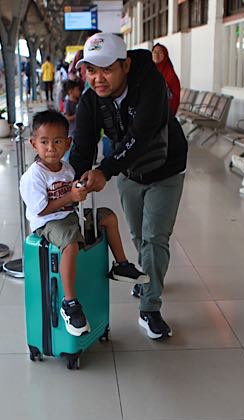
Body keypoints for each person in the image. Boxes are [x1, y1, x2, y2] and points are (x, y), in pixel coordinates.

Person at [70, 32, 188, 340]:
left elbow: (142, 133)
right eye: (91, 70)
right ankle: (149, 276)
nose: (98, 78)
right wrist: (73, 180)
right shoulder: (90, 99)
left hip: (167, 169)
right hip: (129, 173)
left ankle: (150, 307)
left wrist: (105, 170)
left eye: (106, 69)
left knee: (155, 236)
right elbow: (82, 145)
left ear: (126, 65)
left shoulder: (151, 86)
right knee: (138, 234)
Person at [20, 109, 149, 336]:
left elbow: (72, 196)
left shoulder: (67, 169)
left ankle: (120, 265)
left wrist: (81, 189)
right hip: (47, 223)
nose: (51, 148)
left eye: (58, 141)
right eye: (44, 142)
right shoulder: (34, 176)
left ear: (68, 143)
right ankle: (69, 303)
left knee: (107, 217)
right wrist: (70, 197)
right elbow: (40, 210)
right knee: (71, 243)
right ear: (33, 144)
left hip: (69, 216)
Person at [152, 43, 181, 117]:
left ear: (165, 55)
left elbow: (175, 94)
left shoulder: (170, 73)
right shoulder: (148, 70)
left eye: (160, 52)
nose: (157, 55)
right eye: (155, 52)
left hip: (165, 110)